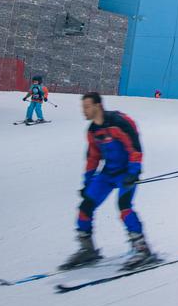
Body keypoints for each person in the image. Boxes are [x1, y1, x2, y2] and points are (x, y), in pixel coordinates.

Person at [59, 93, 154, 271]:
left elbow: (134, 148)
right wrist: (87, 182)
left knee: (124, 207)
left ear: (98, 106)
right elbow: (93, 158)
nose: (84, 111)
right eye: (83, 107)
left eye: (87, 107)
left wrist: (133, 173)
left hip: (125, 174)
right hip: (108, 174)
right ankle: (88, 250)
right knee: (85, 207)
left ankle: (142, 249)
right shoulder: (93, 131)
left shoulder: (118, 123)